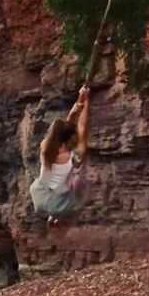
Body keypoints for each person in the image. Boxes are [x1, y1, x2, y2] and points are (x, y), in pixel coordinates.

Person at [29, 86, 91, 224]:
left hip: (40, 196)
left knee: (60, 186)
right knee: (78, 183)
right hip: (62, 204)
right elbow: (82, 126)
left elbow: (65, 128)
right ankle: (56, 216)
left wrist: (78, 102)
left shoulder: (45, 146)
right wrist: (86, 102)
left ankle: (53, 216)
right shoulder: (76, 153)